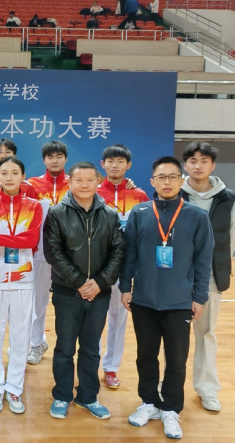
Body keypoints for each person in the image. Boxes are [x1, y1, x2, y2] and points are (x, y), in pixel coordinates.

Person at [121, 156, 213, 439]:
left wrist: (199, 296)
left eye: (173, 177)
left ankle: (171, 408)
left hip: (179, 302)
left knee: (176, 359)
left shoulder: (197, 216)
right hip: (144, 300)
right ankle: (149, 402)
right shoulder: (139, 213)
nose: (167, 182)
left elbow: (203, 260)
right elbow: (129, 254)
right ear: (152, 181)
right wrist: (125, 287)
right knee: (145, 356)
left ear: (181, 180)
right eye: (161, 177)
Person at [44, 161, 125, 421]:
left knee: (91, 349)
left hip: (99, 294)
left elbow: (118, 252)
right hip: (67, 292)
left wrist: (100, 283)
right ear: (69, 182)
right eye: (79, 180)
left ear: (98, 182)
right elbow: (53, 252)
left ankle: (88, 396)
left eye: (90, 180)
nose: (84, 185)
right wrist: (80, 282)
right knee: (65, 348)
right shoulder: (56, 213)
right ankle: (61, 395)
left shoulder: (110, 215)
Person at [181, 142, 235, 413]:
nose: (198, 165)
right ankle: (167, 385)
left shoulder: (228, 198)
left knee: (206, 334)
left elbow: (232, 236)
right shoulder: (174, 193)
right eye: (192, 160)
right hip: (177, 279)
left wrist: (215, 266)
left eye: (204, 161)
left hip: (211, 280)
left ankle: (206, 389)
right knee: (173, 335)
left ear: (213, 165)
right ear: (185, 164)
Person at [0, 157, 42, 415]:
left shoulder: (34, 206)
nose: (9, 177)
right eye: (3, 173)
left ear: (23, 176)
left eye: (14, 172)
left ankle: (15, 387)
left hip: (23, 279)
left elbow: (31, 240)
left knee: (20, 334)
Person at [97, 144, 149, 390]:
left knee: (118, 319)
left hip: (125, 266)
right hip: (98, 265)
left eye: (120, 161)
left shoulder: (139, 195)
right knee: (93, 319)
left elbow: (145, 231)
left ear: (128, 165)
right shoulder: (94, 193)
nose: (114, 165)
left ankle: (111, 367)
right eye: (110, 161)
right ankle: (90, 365)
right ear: (102, 164)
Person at [26, 140, 70, 366]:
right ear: (44, 160)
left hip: (68, 255)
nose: (54, 160)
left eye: (59, 156)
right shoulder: (32, 185)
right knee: (37, 301)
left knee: (67, 304)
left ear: (65, 159)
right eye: (50, 156)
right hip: (39, 253)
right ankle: (36, 343)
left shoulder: (74, 183)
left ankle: (68, 348)